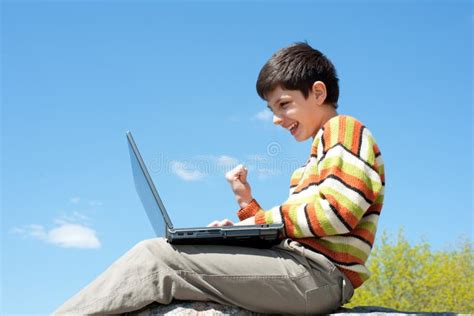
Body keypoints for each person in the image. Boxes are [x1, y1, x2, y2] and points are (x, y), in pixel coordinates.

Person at [54, 42, 385, 315]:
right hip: (304, 271)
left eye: (284, 104)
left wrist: (257, 224)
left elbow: (339, 211)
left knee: (157, 259)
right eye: (272, 109)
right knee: (171, 252)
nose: (276, 119)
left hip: (316, 277)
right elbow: (298, 226)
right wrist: (245, 210)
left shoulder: (344, 129)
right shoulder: (315, 154)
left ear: (317, 92)